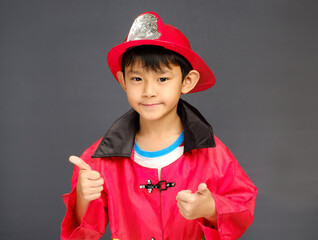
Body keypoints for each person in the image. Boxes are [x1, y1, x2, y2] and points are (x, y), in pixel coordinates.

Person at [61, 12, 257, 240]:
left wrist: (211, 208)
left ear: (187, 81)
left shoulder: (211, 154)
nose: (149, 91)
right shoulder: (99, 160)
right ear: (123, 80)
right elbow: (83, 234)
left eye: (162, 79)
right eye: (137, 79)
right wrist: (84, 197)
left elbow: (242, 206)